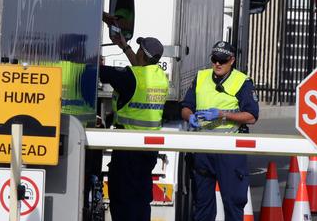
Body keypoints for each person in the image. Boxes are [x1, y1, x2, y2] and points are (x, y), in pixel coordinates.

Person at [99, 18, 169, 221]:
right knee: (140, 198)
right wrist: (124, 46)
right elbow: (139, 71)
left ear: (142, 54)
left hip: (128, 147)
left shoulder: (130, 77)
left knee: (122, 199)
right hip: (148, 149)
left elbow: (105, 72)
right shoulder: (159, 76)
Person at [181, 41, 259, 221]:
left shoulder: (242, 82)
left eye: (222, 60)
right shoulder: (201, 77)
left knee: (233, 203)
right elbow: (186, 107)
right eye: (214, 59)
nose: (217, 64)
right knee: (202, 205)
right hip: (203, 150)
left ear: (231, 60)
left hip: (229, 148)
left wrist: (223, 114)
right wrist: (190, 117)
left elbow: (252, 116)